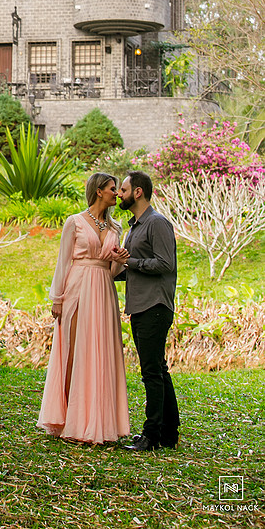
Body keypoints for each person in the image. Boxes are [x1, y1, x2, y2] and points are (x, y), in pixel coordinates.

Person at [37, 172, 130, 445]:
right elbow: (63, 262)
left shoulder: (116, 228)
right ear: (99, 191)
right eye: (113, 189)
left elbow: (112, 271)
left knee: (101, 353)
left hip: (103, 290)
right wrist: (58, 298)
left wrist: (121, 260)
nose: (117, 193)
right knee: (74, 350)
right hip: (78, 289)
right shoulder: (74, 222)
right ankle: (66, 418)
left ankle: (99, 421)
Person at [117, 170, 180, 451]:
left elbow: (165, 264)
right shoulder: (134, 227)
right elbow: (130, 268)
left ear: (138, 192)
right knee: (158, 370)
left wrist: (131, 263)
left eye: (123, 189)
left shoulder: (156, 223)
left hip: (155, 305)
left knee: (151, 373)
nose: (119, 193)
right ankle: (168, 434)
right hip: (141, 306)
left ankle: (151, 436)